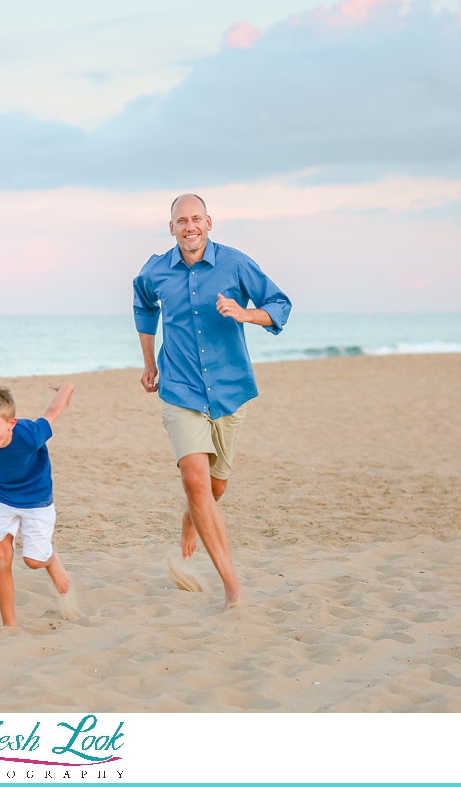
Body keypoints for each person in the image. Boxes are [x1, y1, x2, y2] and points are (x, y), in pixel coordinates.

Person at [133, 194, 291, 610]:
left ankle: (192, 515)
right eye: (181, 220)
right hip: (180, 389)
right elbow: (143, 305)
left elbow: (280, 305)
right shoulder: (155, 271)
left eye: (196, 219)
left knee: (214, 486)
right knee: (195, 479)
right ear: (171, 227)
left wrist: (245, 313)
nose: (190, 227)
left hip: (229, 391)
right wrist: (149, 363)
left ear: (209, 223)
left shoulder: (235, 264)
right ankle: (232, 588)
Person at [0, 381, 76, 628]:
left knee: (33, 561)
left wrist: (65, 390)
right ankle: (10, 625)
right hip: (0, 497)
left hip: (37, 499)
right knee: (0, 556)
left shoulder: (30, 436)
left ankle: (50, 559)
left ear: (11, 424)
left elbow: (52, 413)